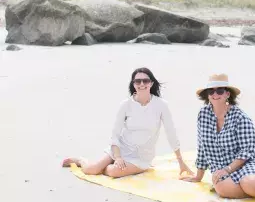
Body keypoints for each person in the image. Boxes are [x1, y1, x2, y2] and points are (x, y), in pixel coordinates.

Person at [182, 74, 255, 198]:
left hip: (250, 160)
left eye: (220, 90)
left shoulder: (240, 117)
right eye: (211, 90)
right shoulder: (203, 115)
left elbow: (247, 150)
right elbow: (202, 146)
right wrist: (198, 176)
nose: (215, 94)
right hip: (224, 165)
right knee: (222, 189)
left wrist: (228, 169)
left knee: (249, 183)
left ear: (227, 94)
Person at [63, 67, 192, 178]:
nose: (142, 84)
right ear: (133, 84)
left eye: (145, 80)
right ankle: (81, 160)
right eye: (137, 81)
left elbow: (171, 133)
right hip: (120, 149)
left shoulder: (161, 105)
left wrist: (181, 161)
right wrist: (118, 157)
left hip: (141, 157)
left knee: (113, 172)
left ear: (151, 83)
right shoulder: (125, 105)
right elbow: (115, 134)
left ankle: (111, 166)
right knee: (91, 170)